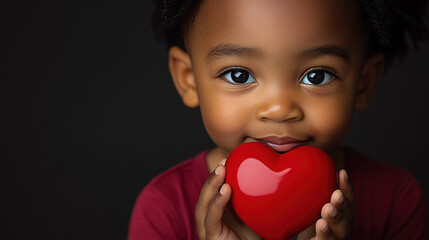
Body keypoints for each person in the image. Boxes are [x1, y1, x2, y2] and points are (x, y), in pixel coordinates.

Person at [128, 0, 429, 239]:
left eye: (317, 76)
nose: (280, 108)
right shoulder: (164, 209)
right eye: (239, 75)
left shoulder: (396, 202)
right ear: (189, 79)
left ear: (363, 83)